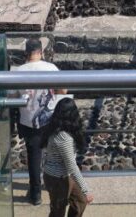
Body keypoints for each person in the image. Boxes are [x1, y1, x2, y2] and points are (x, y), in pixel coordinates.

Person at [15, 37, 68, 206]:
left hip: (28, 120)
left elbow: (12, 96)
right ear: (41, 51)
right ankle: (58, 186)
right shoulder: (51, 68)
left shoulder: (18, 71)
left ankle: (35, 194)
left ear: (26, 53)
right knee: (56, 153)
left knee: (34, 157)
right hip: (50, 119)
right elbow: (63, 90)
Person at [43, 98, 93, 217]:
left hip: (65, 175)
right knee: (58, 212)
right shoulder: (63, 137)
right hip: (57, 179)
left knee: (80, 201)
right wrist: (86, 190)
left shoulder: (55, 127)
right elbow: (71, 166)